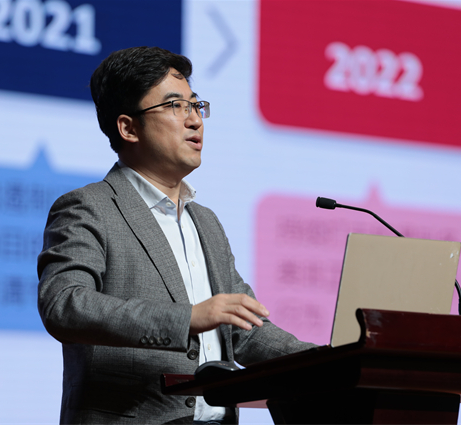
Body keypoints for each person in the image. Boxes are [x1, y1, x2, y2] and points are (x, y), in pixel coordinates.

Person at [37, 46, 315, 424]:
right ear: (128, 128)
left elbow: (244, 331)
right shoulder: (89, 207)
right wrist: (187, 318)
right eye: (175, 106)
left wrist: (328, 359)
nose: (195, 120)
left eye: (196, 105)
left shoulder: (206, 222)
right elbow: (65, 306)